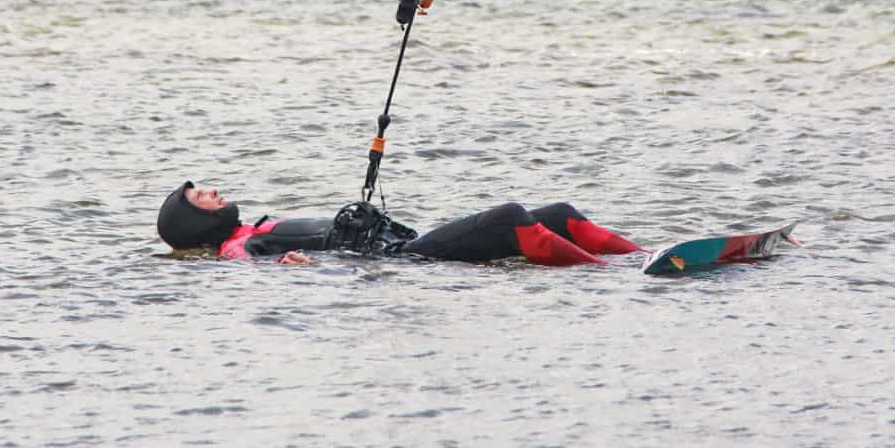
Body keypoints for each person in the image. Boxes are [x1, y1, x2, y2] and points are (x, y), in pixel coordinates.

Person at [157, 180, 642, 266]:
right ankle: (610, 276)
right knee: (512, 217)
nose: (214, 193)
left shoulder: (255, 226)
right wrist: (289, 262)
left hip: (405, 245)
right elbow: (247, 265)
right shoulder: (233, 249)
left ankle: (639, 259)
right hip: (407, 261)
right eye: (203, 198)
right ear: (195, 224)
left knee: (558, 213)